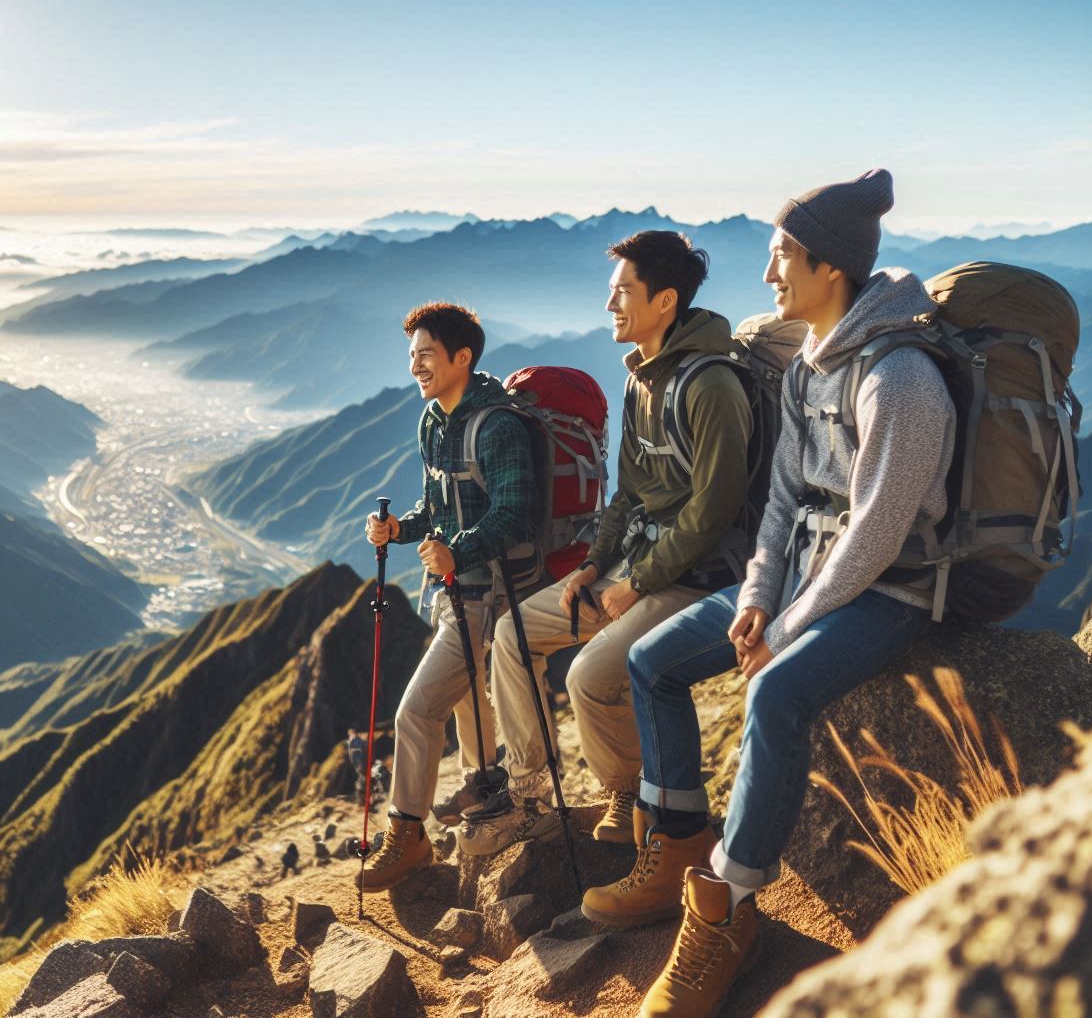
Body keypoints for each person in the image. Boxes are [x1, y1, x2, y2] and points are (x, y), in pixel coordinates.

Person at [622, 169, 954, 1016]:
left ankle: (727, 910)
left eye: (781, 256)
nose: (769, 274)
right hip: (804, 576)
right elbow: (782, 498)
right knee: (653, 660)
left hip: (889, 593)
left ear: (829, 267)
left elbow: (877, 536)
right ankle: (678, 840)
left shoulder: (901, 379)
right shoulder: (808, 365)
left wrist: (790, 627)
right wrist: (756, 598)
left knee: (775, 691)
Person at [460, 230, 752, 867]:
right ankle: (531, 791)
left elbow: (713, 510)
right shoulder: (639, 382)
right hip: (633, 567)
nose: (610, 305)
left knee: (592, 676)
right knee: (511, 635)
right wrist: (596, 562)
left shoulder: (712, 388)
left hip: (697, 577)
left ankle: (629, 796)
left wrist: (634, 583)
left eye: (622, 292)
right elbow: (627, 494)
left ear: (666, 300)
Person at [356, 301, 537, 892]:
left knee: (418, 710)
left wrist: (459, 550)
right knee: (464, 702)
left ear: (463, 357)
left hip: (490, 594)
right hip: (449, 590)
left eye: (426, 355)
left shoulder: (500, 426)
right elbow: (435, 508)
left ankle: (407, 835)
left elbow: (517, 512)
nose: (416, 367)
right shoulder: (433, 420)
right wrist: (400, 531)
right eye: (412, 356)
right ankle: (486, 785)